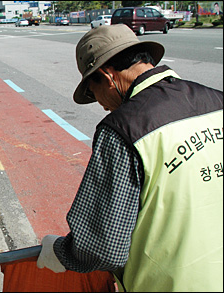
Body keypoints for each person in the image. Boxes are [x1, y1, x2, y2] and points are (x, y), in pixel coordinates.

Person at [36, 24, 223, 291]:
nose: (101, 104)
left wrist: (59, 251)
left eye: (93, 91)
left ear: (107, 76)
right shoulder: (217, 101)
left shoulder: (125, 128)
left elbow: (102, 247)